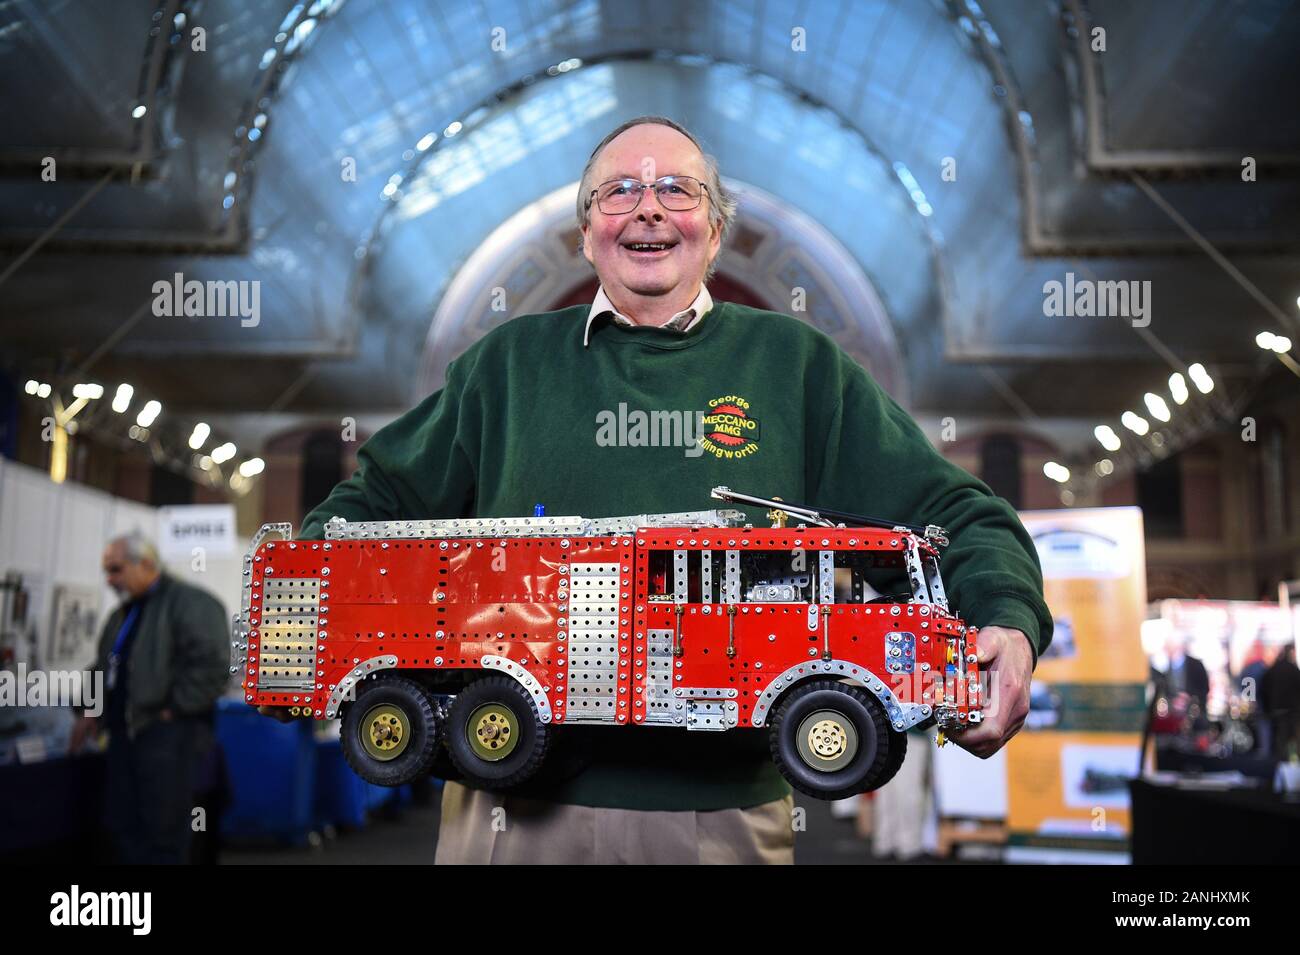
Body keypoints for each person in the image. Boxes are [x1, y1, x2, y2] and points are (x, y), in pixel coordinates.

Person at [294, 115, 1053, 864]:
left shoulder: (799, 367)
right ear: (587, 231)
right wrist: (303, 595)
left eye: (677, 190)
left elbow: (958, 514)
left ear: (714, 232)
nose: (649, 206)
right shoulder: (505, 367)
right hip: (508, 815)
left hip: (718, 821)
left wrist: (1008, 620)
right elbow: (375, 502)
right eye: (619, 190)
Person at [69, 531, 230, 864]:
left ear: (145, 564)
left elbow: (213, 665)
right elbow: (105, 667)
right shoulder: (123, 615)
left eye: (116, 569)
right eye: (107, 571)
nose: (110, 579)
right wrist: (90, 711)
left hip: (169, 738)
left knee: (164, 835)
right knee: (124, 829)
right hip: (124, 738)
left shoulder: (191, 603)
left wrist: (172, 711)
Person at [1260, 644, 1300, 761]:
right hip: (1293, 712)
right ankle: (1293, 765)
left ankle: (1279, 765)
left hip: (1276, 712)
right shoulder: (1294, 670)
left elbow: (1263, 692)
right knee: (1293, 739)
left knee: (1279, 741)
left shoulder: (1271, 671)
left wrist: (1267, 710)